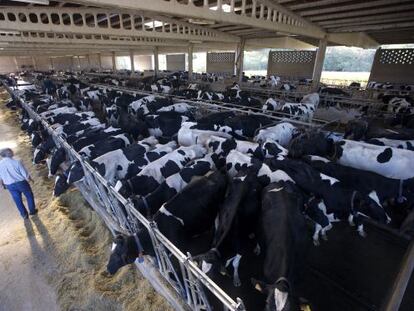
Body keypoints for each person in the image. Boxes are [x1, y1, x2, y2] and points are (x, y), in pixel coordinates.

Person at [0, 148, 37, 219]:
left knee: (17, 200)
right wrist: (30, 179)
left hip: (10, 185)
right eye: (11, 151)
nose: (12, 152)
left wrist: (2, 185)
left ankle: (24, 215)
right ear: (8, 153)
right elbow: (24, 173)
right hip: (21, 183)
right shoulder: (16, 162)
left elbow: (0, 176)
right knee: (29, 195)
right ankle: (32, 211)